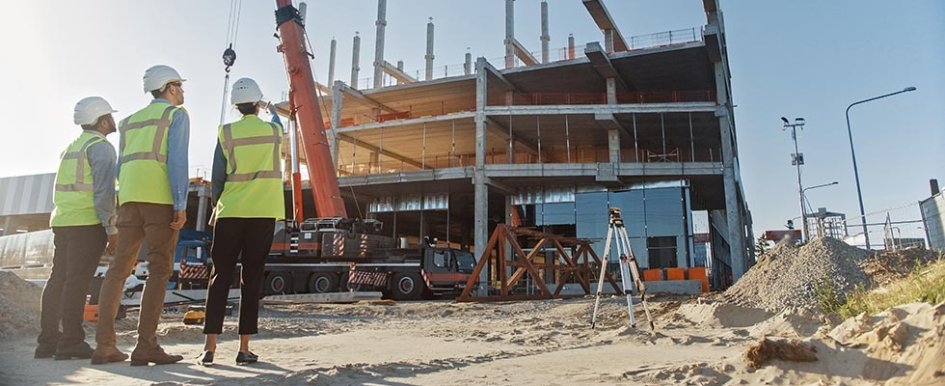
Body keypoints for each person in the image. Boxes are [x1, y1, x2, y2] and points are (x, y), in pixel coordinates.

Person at [91, 65, 190, 366]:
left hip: (129, 200)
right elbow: (177, 163)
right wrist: (180, 203)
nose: (183, 92)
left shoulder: (129, 121)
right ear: (170, 88)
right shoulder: (176, 115)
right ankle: (145, 345)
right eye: (180, 87)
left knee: (117, 271)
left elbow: (122, 165)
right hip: (159, 200)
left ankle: (105, 346)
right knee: (159, 269)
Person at [199, 77, 285, 366]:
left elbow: (218, 177)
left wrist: (217, 206)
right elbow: (280, 124)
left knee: (219, 276)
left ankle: (209, 347)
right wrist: (272, 109)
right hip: (262, 212)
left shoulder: (226, 133)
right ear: (258, 104)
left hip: (230, 212)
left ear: (235, 106)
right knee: (251, 278)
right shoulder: (273, 131)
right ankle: (244, 348)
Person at [35, 97, 119, 360]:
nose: (113, 120)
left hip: (63, 221)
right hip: (87, 222)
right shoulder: (101, 147)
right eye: (110, 116)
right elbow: (104, 193)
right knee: (77, 282)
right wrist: (111, 228)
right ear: (103, 120)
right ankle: (71, 341)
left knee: (57, 279)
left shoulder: (71, 147)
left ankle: (47, 342)